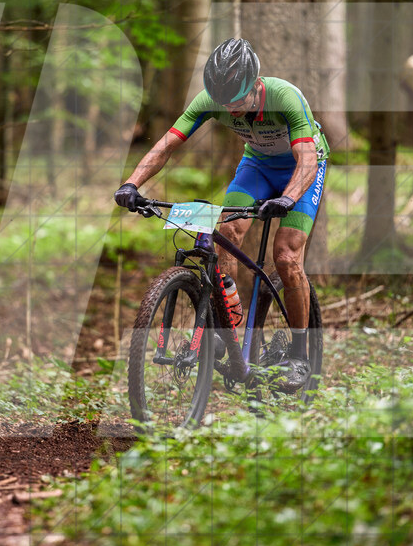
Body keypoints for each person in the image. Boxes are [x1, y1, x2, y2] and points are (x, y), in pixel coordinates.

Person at [114, 38, 328, 382]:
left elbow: (306, 159)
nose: (231, 110)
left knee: (286, 256)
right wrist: (132, 184)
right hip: (257, 166)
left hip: (302, 165)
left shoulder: (284, 96)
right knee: (226, 233)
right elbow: (167, 143)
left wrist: (287, 199)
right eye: (224, 103)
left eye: (237, 101)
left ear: (256, 85)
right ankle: (224, 327)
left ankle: (300, 355)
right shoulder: (212, 100)